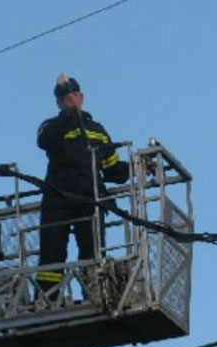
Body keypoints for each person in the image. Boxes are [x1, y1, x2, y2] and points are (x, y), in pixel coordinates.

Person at [35, 73, 130, 297]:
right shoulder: (52, 126)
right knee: (52, 253)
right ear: (58, 103)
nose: (71, 100)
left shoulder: (97, 129)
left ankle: (94, 296)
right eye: (65, 98)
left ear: (82, 97)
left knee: (92, 252)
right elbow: (44, 141)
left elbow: (112, 169)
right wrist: (69, 118)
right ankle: (46, 300)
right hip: (58, 199)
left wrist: (135, 167)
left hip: (90, 198)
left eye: (74, 96)